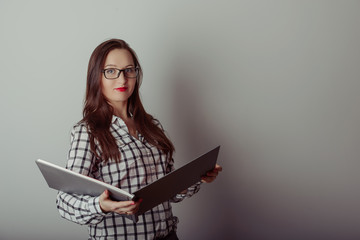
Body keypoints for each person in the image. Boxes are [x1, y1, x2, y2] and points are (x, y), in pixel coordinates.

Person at [56, 38, 222, 240]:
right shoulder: (88, 132)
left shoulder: (152, 127)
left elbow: (169, 193)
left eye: (129, 70)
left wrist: (198, 177)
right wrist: (101, 205)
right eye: (111, 71)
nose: (122, 79)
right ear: (96, 78)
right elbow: (65, 201)